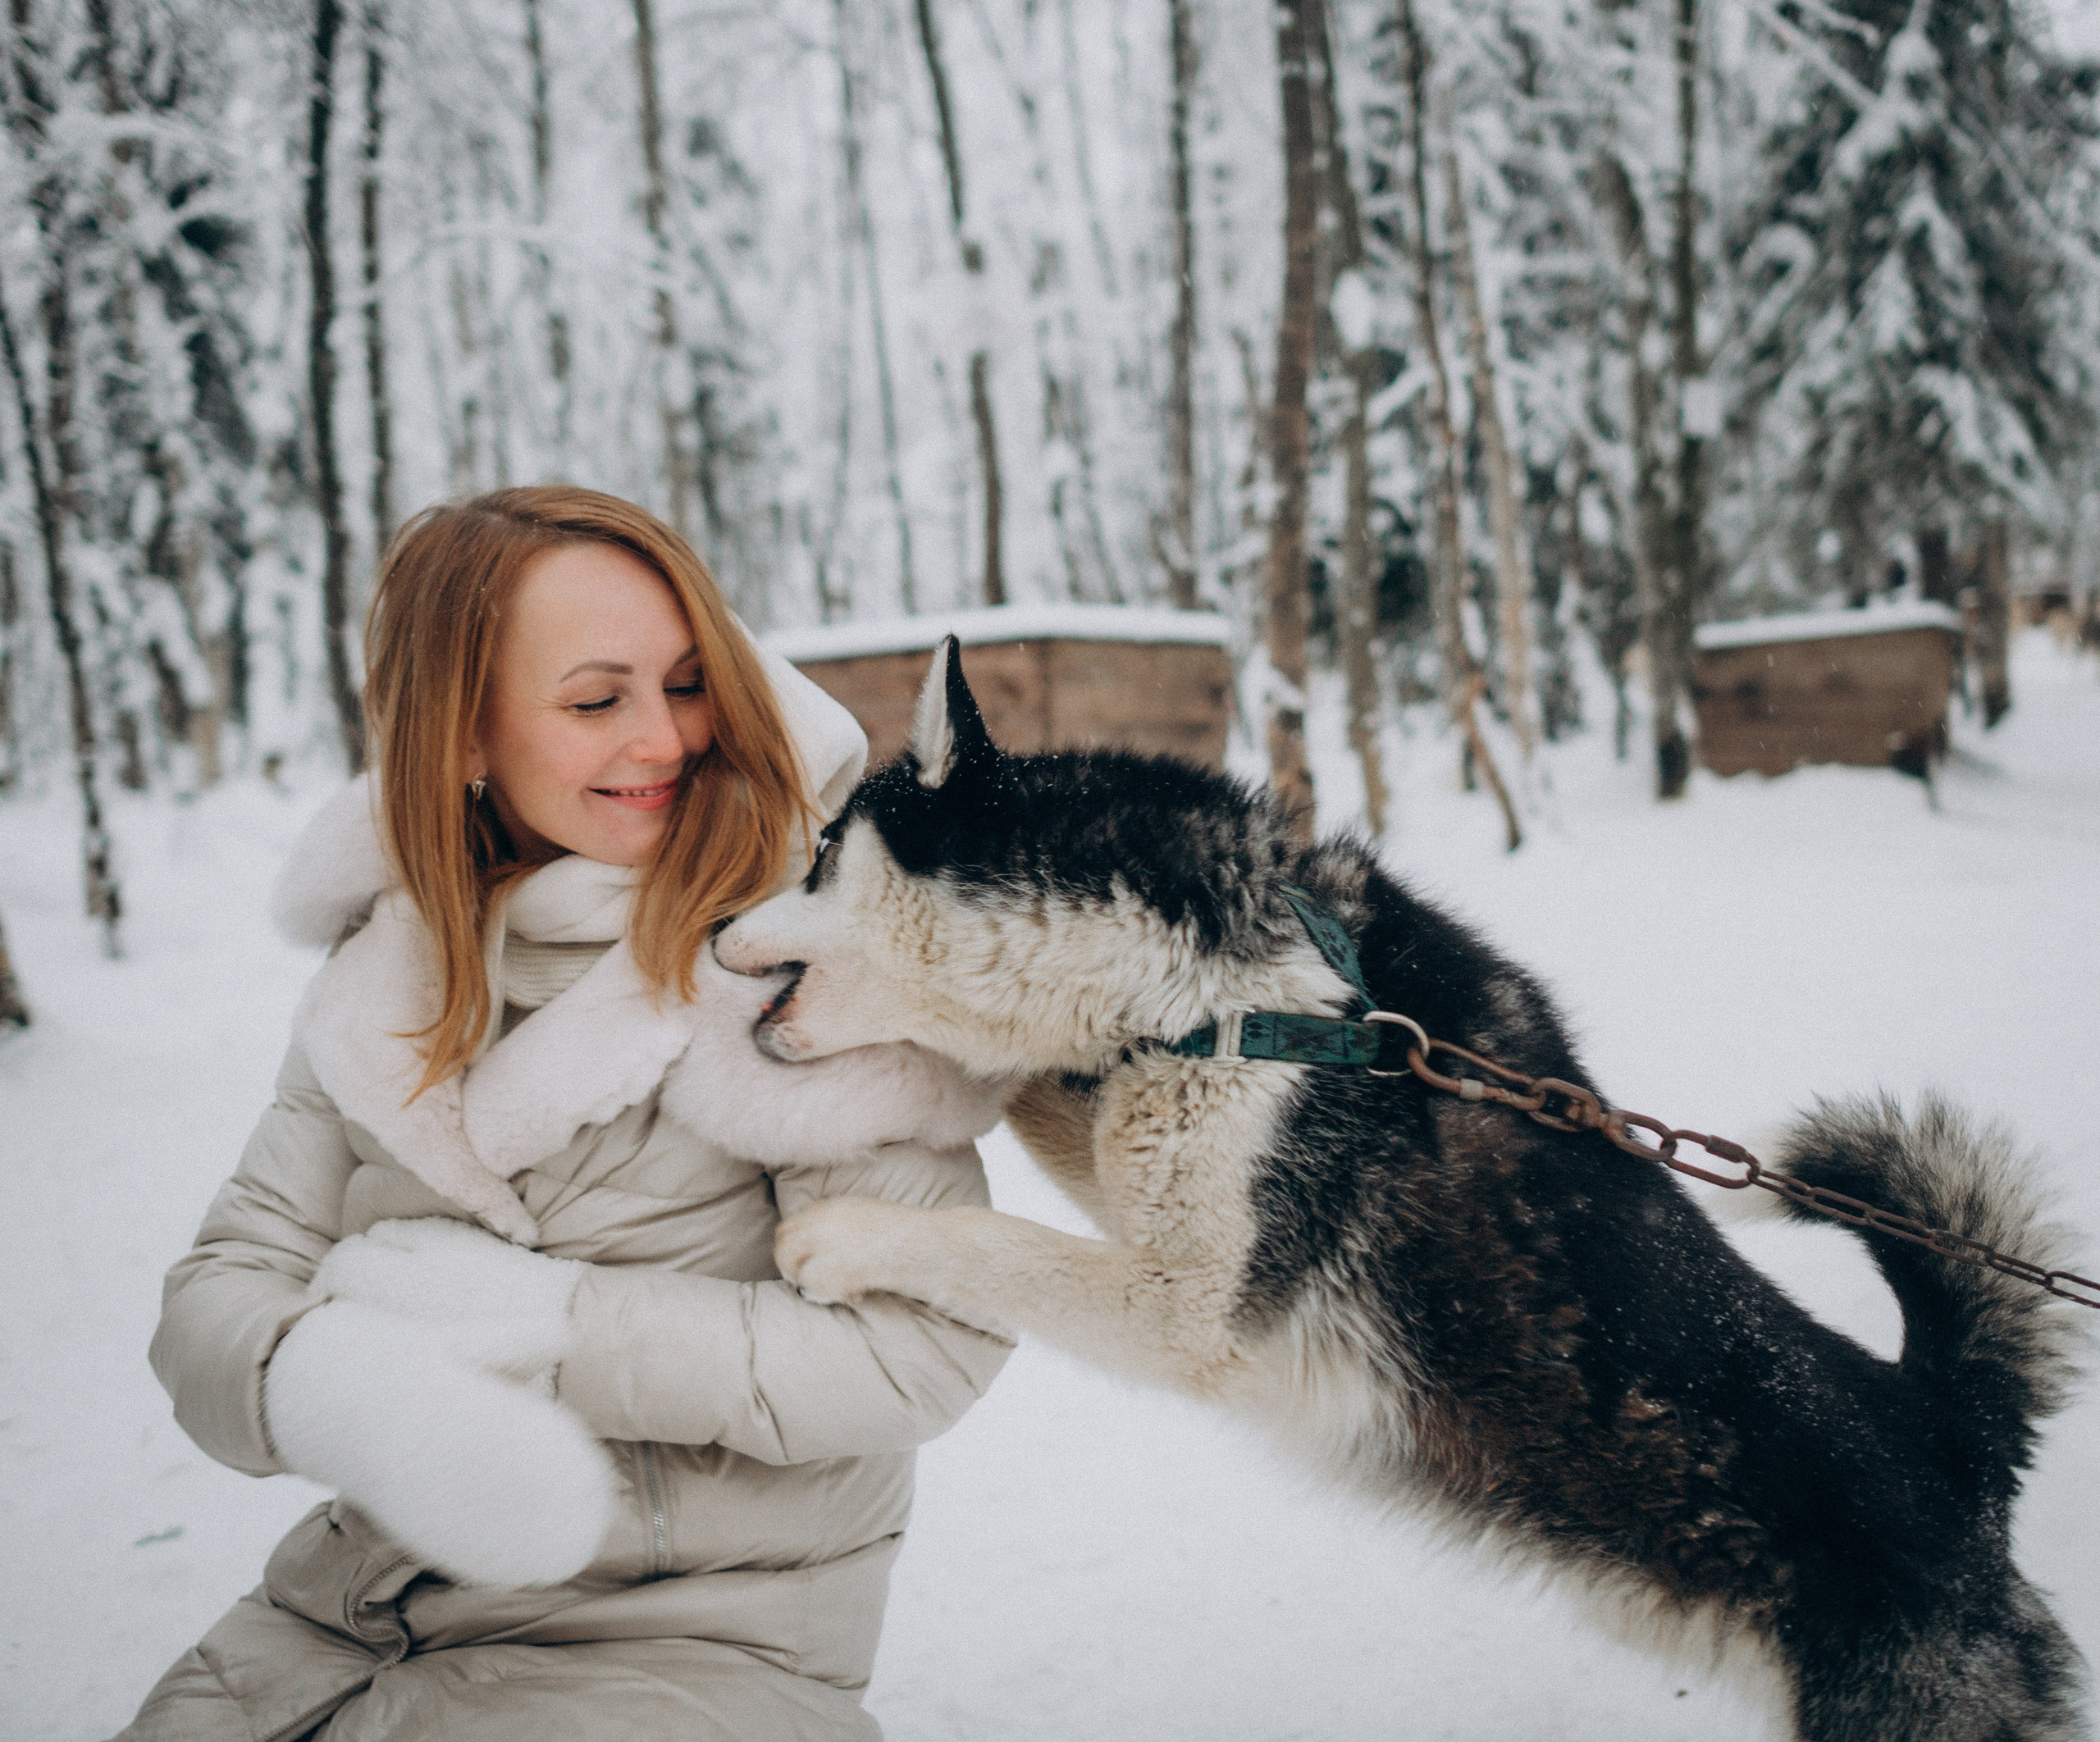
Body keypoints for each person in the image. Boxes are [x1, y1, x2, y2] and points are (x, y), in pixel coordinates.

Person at [116, 486, 1012, 1741]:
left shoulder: (798, 960)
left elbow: (922, 1346)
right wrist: (340, 1389)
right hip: (347, 1622)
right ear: (463, 735)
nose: (665, 739)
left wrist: (554, 1334)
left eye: (690, 684)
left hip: (697, 1634)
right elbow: (222, 1284)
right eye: (597, 701)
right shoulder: (390, 978)